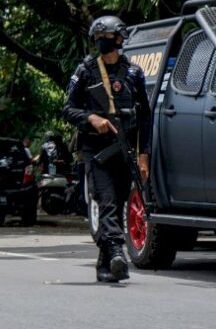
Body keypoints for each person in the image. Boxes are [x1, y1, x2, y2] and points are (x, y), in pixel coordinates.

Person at [63, 15, 151, 283]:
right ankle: (116, 252)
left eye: (108, 37)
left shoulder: (134, 74)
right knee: (107, 202)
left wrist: (143, 155)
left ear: (119, 39)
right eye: (99, 38)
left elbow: (146, 117)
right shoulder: (85, 71)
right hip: (96, 151)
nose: (103, 41)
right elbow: (68, 109)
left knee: (120, 201)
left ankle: (104, 266)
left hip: (124, 150)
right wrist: (91, 118)